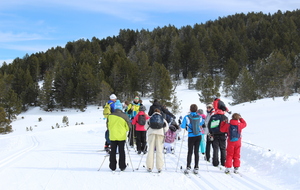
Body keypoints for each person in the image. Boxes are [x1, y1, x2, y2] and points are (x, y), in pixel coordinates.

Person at [107, 100, 131, 171]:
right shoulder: (124, 116)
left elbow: (108, 126)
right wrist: (124, 130)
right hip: (121, 136)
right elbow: (128, 127)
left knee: (113, 151)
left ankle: (112, 166)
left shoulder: (110, 116)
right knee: (121, 151)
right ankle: (122, 166)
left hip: (113, 136)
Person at [180, 104, 204, 174]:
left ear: (190, 110)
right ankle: (196, 167)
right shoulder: (199, 117)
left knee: (190, 151)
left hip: (191, 135)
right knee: (196, 151)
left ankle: (188, 167)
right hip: (198, 135)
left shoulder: (187, 117)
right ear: (197, 110)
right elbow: (202, 123)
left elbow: (182, 126)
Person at [145, 108, 169, 173]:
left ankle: (149, 167)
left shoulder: (150, 118)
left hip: (151, 134)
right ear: (159, 112)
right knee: (159, 150)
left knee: (150, 150)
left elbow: (145, 127)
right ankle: (159, 167)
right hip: (160, 134)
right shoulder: (163, 119)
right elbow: (166, 128)